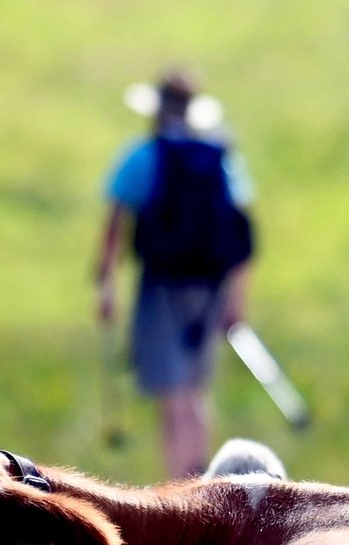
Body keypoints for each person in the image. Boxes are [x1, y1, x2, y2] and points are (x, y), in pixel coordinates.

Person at [94, 69, 256, 478]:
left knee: (172, 391)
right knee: (195, 390)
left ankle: (182, 484)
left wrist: (106, 287)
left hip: (162, 285)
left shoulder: (144, 156)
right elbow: (240, 229)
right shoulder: (218, 158)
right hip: (211, 286)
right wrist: (237, 299)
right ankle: (196, 474)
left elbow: (115, 224)